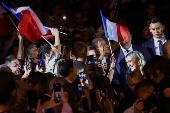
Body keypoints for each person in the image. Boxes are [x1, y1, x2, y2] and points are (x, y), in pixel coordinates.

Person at [112, 31, 151, 100]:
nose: (124, 42)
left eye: (125, 38)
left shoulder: (142, 49)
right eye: (121, 39)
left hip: (147, 88)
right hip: (126, 95)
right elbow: (114, 77)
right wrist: (119, 91)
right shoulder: (114, 55)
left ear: (131, 37)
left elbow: (150, 67)